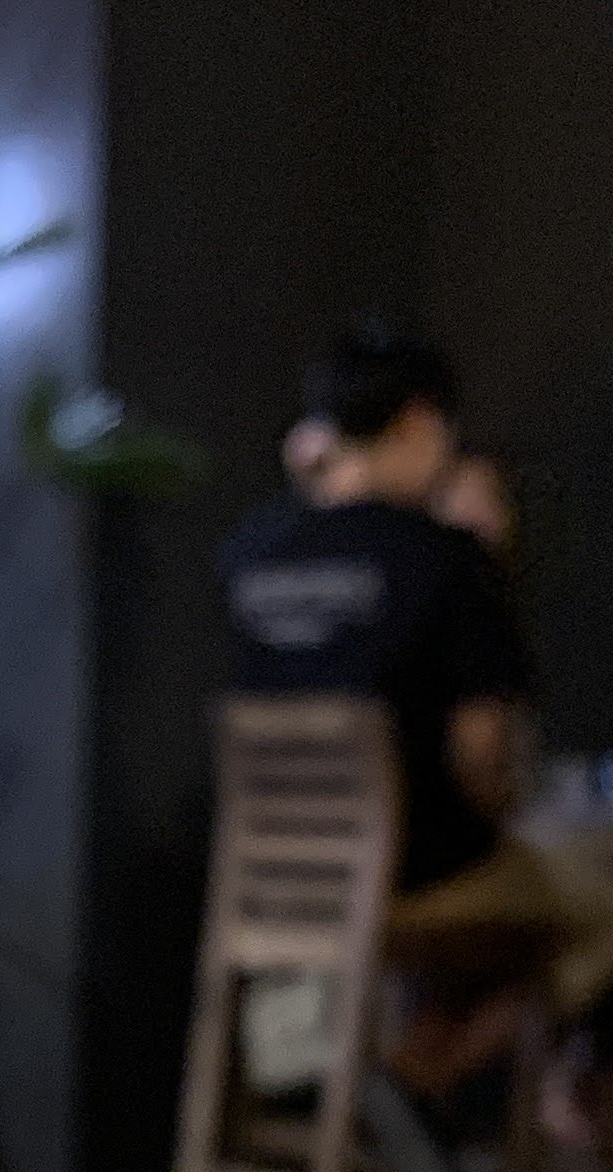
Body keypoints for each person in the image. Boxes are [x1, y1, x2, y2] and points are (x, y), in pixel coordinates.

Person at [221, 320, 531, 902]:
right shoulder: (445, 558)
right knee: (597, 902)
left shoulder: (245, 554)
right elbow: (483, 753)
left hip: (274, 880)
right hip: (413, 879)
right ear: (419, 422)